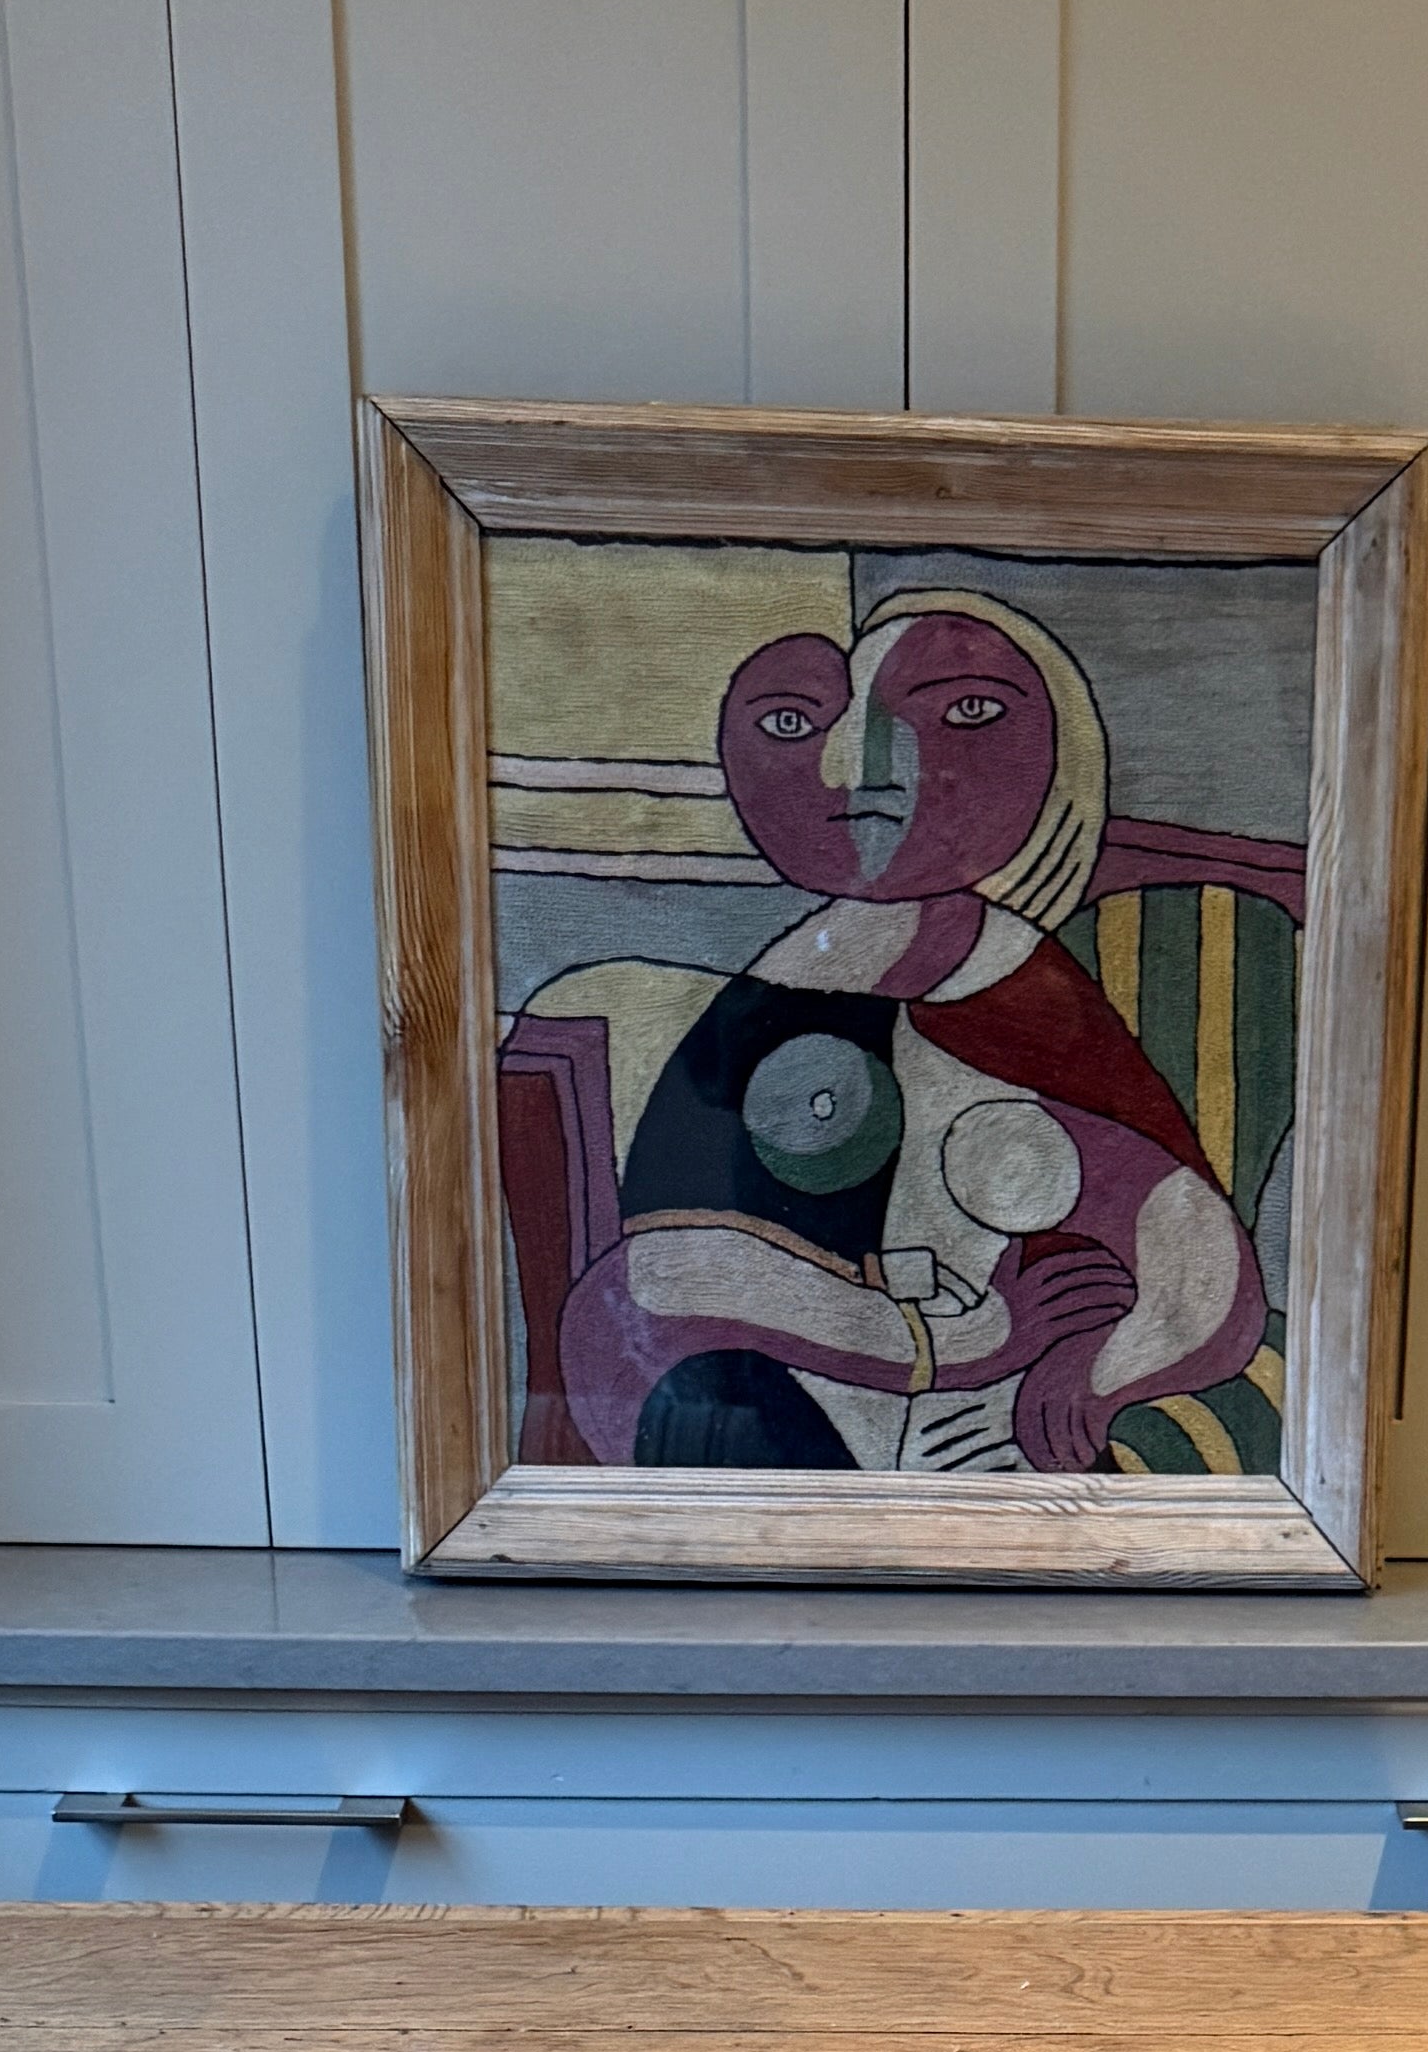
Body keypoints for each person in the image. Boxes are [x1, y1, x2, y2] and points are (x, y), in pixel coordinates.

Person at [503, 593, 1267, 1474]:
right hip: (794, 1425)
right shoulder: (775, 994)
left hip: (990, 1449)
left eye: (966, 713)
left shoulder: (1023, 993)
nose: (859, 768)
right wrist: (953, 1339)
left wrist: (1098, 1374)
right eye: (793, 722)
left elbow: (1195, 1260)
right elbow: (650, 1288)